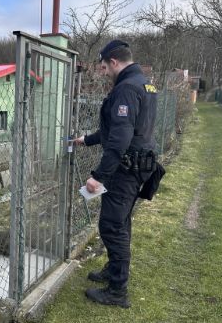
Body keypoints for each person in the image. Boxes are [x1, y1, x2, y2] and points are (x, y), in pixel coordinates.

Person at [73, 40, 158, 308]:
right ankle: (113, 270)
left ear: (113, 61)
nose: (103, 72)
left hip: (125, 170)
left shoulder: (125, 89)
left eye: (103, 67)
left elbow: (120, 139)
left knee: (112, 226)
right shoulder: (145, 84)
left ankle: (117, 292)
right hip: (138, 166)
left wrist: (98, 177)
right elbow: (123, 128)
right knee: (121, 223)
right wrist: (86, 139)